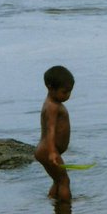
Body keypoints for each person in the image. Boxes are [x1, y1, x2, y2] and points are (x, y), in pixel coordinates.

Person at [35, 65, 74, 201]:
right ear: (50, 87)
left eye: (70, 92)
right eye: (64, 92)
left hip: (46, 149)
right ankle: (65, 210)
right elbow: (50, 129)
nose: (68, 95)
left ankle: (54, 203)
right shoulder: (52, 106)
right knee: (64, 181)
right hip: (48, 150)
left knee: (58, 180)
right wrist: (52, 151)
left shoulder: (52, 103)